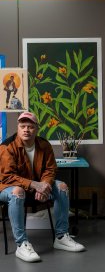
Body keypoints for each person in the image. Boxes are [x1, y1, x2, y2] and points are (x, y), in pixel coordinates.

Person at [0, 112, 85, 262]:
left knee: (62, 187)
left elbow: (50, 169)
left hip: (37, 185)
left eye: (30, 127)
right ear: (18, 128)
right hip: (7, 187)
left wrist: (44, 185)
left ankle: (61, 237)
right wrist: (34, 185)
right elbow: (8, 176)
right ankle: (21, 244)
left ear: (37, 129)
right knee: (17, 191)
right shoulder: (7, 147)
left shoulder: (44, 145)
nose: (26, 129)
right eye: (23, 126)